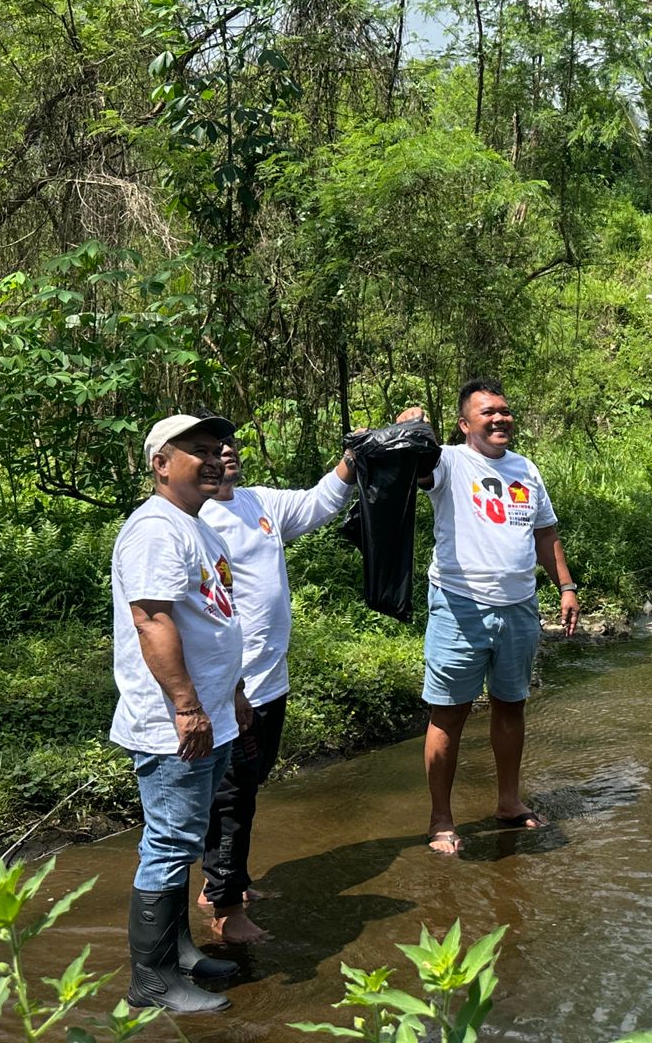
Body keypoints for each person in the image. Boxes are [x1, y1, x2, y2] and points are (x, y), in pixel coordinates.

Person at [397, 379, 579, 856]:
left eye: (504, 410)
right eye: (487, 413)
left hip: (520, 606)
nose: (499, 418)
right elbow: (412, 461)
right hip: (459, 606)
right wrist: (410, 429)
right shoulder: (448, 462)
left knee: (511, 705)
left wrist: (566, 586)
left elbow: (546, 533)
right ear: (465, 424)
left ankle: (508, 802)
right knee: (449, 713)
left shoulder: (526, 469)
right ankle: (440, 819)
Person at [111, 413, 249, 1014]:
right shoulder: (155, 530)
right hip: (175, 723)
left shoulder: (199, 528)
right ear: (160, 464)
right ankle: (151, 981)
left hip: (211, 713)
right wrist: (188, 707)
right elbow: (152, 618)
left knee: (186, 837)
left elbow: (215, 619)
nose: (213, 457)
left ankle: (180, 952)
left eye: (216, 448)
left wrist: (233, 695)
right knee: (169, 842)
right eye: (195, 450)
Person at [195, 432, 356, 943]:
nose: (226, 452)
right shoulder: (193, 522)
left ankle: (221, 882)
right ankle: (225, 909)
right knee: (233, 796)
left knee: (247, 783)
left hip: (270, 680)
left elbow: (319, 502)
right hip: (229, 686)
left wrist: (355, 456)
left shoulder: (260, 502)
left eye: (229, 444)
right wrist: (225, 686)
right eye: (211, 447)